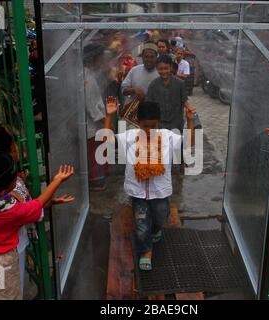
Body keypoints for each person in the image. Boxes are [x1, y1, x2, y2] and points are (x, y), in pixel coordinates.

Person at [0, 127, 73, 298]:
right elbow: (31, 209)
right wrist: (57, 181)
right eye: (14, 148)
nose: (17, 150)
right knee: (11, 292)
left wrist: (52, 201)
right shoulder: (12, 188)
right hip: (9, 253)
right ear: (7, 154)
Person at [103, 98, 196, 271]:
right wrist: (109, 116)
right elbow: (107, 141)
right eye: (146, 126)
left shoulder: (167, 137)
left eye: (153, 126)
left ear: (158, 123)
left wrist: (189, 120)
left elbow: (189, 143)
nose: (150, 130)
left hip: (160, 192)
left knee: (160, 217)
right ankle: (146, 251)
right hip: (137, 192)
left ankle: (156, 229)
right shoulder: (130, 137)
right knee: (141, 223)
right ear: (138, 123)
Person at [83, 43, 109, 191]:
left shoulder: (89, 75)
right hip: (93, 127)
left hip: (95, 126)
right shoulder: (87, 78)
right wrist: (107, 123)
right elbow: (92, 107)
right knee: (95, 155)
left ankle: (97, 179)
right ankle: (96, 182)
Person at [146, 55, 195, 133]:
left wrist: (190, 108)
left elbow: (184, 101)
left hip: (176, 124)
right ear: (156, 68)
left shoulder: (180, 83)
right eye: (160, 69)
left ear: (171, 67)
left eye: (166, 68)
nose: (163, 71)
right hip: (159, 125)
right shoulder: (153, 85)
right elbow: (149, 105)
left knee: (176, 143)